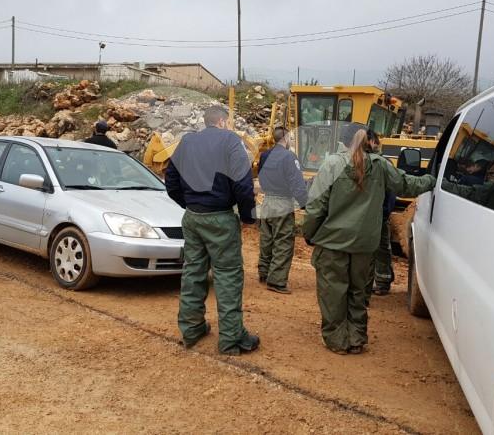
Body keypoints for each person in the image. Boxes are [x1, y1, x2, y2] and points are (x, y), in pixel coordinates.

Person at [303, 123, 436, 355]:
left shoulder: (332, 164)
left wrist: (310, 234)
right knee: (358, 292)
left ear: (343, 141)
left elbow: (316, 205)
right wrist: (434, 180)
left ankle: (337, 340)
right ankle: (356, 338)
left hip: (333, 242)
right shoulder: (380, 165)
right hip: (365, 244)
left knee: (333, 291)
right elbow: (407, 184)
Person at [165, 105, 260, 356]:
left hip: (193, 217)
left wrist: (189, 203)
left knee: (193, 272)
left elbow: (171, 178)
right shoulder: (230, 141)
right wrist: (248, 215)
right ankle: (231, 339)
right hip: (220, 218)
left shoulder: (187, 142)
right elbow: (243, 182)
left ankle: (191, 330)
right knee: (228, 276)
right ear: (222, 122)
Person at [257, 126, 308, 294]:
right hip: (282, 203)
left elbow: (260, 177)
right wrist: (304, 203)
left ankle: (264, 273)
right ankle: (277, 281)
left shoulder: (265, 155)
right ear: (285, 139)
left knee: (267, 239)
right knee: (283, 242)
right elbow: (297, 184)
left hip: (267, 201)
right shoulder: (289, 157)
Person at [363, 129, 397, 304]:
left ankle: (383, 281)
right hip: (372, 215)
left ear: (373, 142)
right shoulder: (369, 161)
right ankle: (381, 280)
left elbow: (391, 192)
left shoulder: (382, 164)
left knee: (381, 249)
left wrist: (384, 213)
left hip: (378, 216)